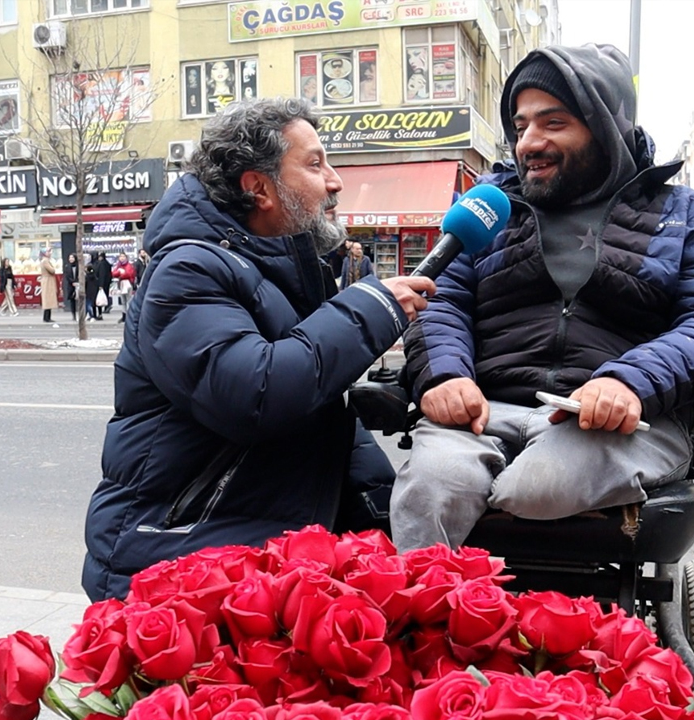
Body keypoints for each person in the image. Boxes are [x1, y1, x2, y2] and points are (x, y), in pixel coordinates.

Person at [388, 45, 694, 552]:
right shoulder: (489, 206)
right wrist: (444, 374)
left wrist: (630, 380)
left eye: (552, 123)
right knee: (433, 486)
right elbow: (440, 300)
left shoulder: (684, 215)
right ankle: (423, 619)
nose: (528, 143)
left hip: (620, 421)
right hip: (482, 412)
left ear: (603, 128)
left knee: (537, 487)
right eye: (521, 127)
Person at [81, 98, 435, 601]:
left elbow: (318, 412)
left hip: (254, 557)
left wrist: (381, 516)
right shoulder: (189, 270)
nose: (334, 181)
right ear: (258, 187)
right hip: (181, 562)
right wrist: (369, 308)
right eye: (314, 164)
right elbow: (257, 391)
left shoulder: (286, 269)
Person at [111, 252, 137, 322]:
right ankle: (124, 315)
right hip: (121, 284)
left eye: (123, 256)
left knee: (128, 300)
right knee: (123, 301)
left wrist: (121, 273)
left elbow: (129, 274)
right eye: (120, 256)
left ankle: (129, 315)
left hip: (127, 284)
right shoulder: (119, 266)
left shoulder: (129, 265)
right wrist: (120, 272)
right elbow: (114, 273)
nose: (122, 258)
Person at [39, 251, 58, 324]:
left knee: (48, 299)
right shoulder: (45, 261)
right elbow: (52, 270)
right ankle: (47, 317)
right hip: (48, 281)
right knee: (48, 299)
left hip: (47, 280)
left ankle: (47, 316)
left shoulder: (44, 261)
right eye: (48, 252)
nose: (50, 253)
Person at [65, 253, 79, 321]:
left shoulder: (79, 266)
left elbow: (80, 275)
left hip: (78, 285)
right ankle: (73, 315)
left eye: (72, 257)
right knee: (72, 300)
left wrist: (77, 282)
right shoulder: (67, 266)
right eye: (70, 258)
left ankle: (81, 314)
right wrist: (73, 282)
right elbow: (67, 276)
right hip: (71, 285)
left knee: (79, 300)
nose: (71, 259)